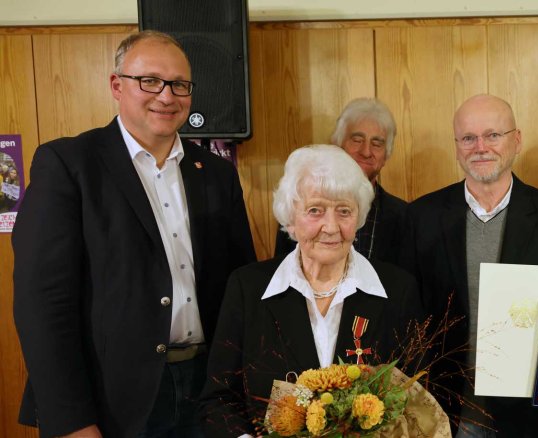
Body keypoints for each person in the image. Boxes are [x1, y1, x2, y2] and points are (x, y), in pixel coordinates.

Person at [12, 30, 256, 437]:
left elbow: (240, 286)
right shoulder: (69, 165)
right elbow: (43, 305)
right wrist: (72, 422)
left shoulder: (216, 173)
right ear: (116, 85)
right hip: (111, 400)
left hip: (208, 392)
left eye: (179, 84)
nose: (166, 96)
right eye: (150, 81)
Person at [400, 94, 538, 437]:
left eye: (493, 135)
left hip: (531, 415)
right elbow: (406, 315)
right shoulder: (420, 217)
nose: (480, 147)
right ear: (457, 146)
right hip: (445, 413)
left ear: (517, 140)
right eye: (469, 138)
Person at [200, 145, 424, 437]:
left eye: (344, 211)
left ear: (359, 217)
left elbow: (415, 398)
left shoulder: (398, 291)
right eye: (315, 210)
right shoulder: (248, 288)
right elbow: (218, 399)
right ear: (290, 216)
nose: (330, 227)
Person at [274, 98, 406, 263]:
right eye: (357, 140)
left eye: (377, 144)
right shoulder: (297, 203)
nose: (366, 151)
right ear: (338, 144)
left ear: (386, 156)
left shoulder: (404, 216)